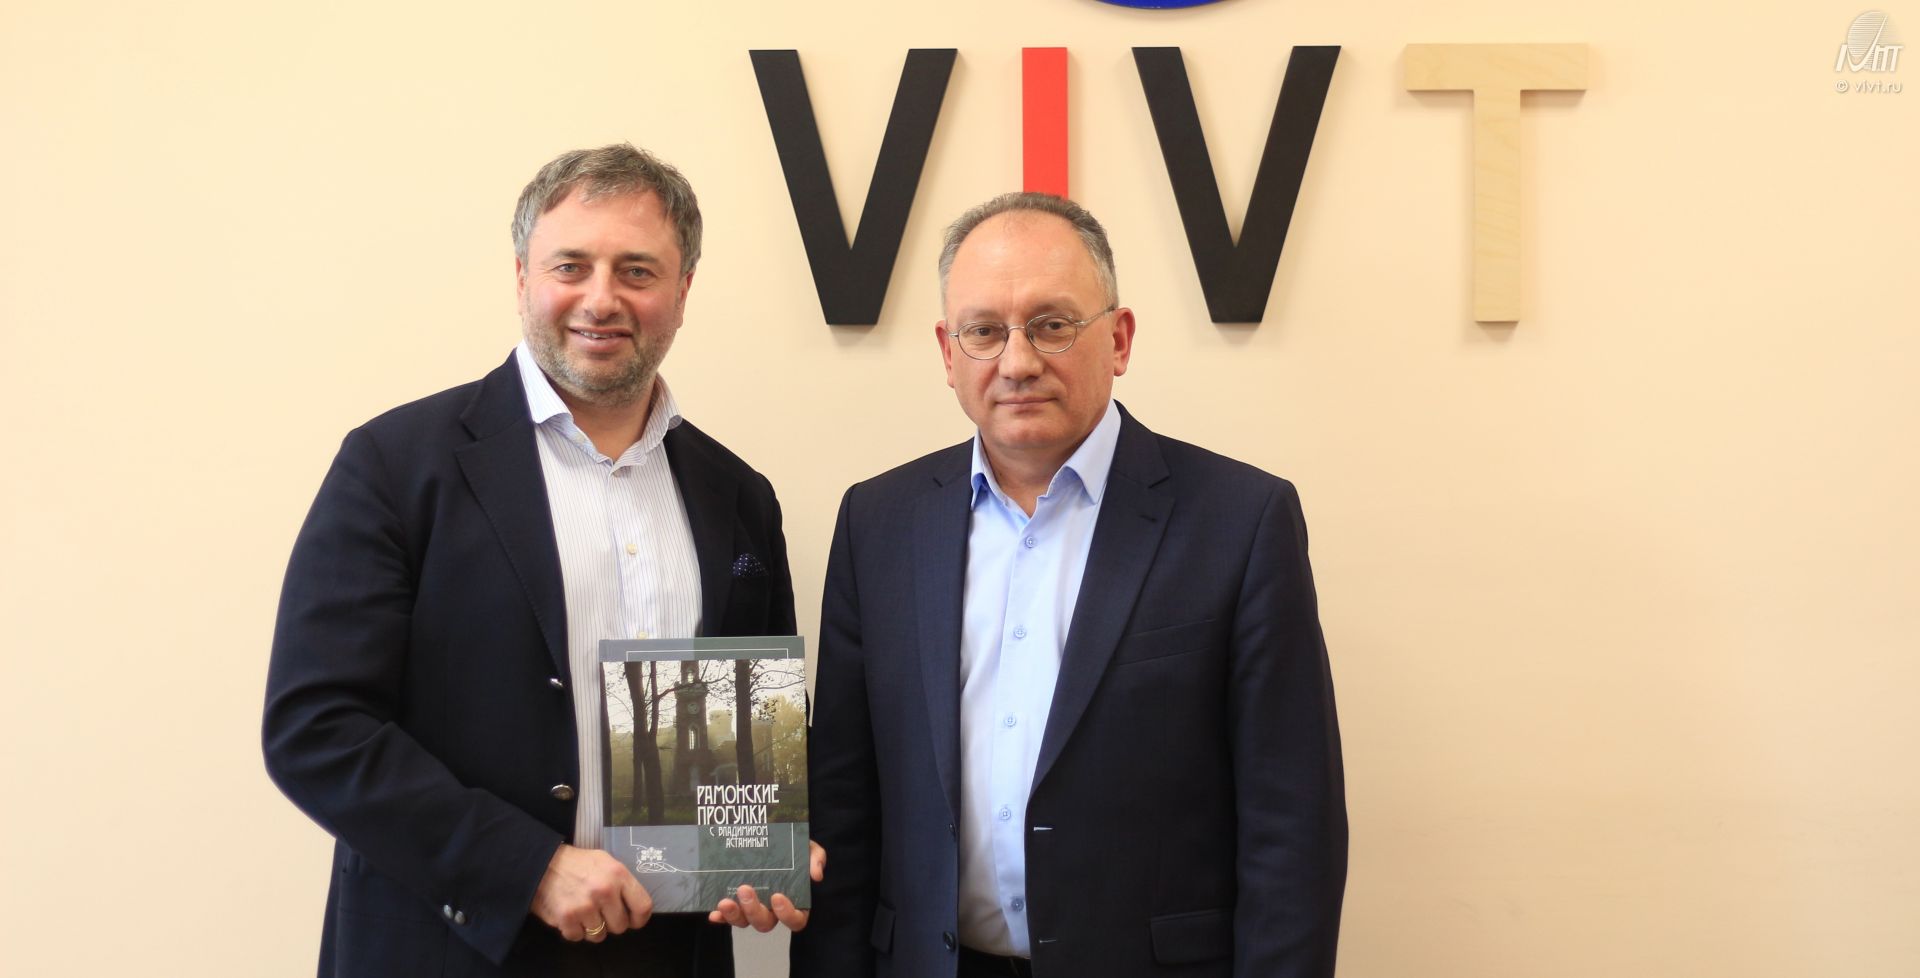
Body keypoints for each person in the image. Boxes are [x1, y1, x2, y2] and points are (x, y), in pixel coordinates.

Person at [263, 144, 795, 977]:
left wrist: (751, 849)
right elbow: (316, 728)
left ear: (683, 291)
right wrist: (529, 868)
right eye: (570, 266)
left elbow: (735, 749)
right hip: (446, 952)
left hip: (670, 954)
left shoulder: (738, 495)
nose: (601, 299)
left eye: (637, 271)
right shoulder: (395, 465)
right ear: (521, 278)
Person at [790, 193, 1348, 978]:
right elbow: (844, 806)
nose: (1018, 362)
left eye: (1052, 325)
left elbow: (1291, 827)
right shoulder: (878, 524)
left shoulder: (1241, 521)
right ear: (949, 353)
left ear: (1118, 339)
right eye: (985, 331)